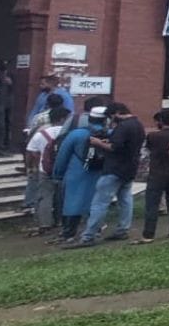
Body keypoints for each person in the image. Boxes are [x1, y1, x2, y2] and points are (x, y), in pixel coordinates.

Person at [68, 103, 144, 248]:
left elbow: (114, 147)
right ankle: (123, 229)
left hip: (114, 169)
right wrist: (108, 141)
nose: (110, 119)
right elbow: (124, 145)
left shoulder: (123, 126)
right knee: (125, 200)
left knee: (100, 203)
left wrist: (98, 143)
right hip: (130, 168)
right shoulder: (138, 124)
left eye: (111, 116)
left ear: (117, 112)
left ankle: (88, 236)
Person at [52, 107, 102, 244]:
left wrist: (58, 174)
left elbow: (62, 156)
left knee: (72, 203)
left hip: (76, 173)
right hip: (99, 173)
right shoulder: (109, 133)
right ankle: (95, 230)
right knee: (96, 203)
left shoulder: (77, 134)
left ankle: (69, 232)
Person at [135, 108, 169, 243]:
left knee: (152, 204)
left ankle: (148, 234)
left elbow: (145, 152)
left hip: (156, 172)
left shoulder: (153, 136)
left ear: (161, 120)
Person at [24, 106, 70, 235]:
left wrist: (31, 167)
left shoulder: (41, 134)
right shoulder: (69, 133)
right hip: (64, 169)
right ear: (63, 119)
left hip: (45, 170)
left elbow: (31, 152)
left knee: (45, 196)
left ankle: (45, 223)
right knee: (61, 196)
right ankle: (60, 221)